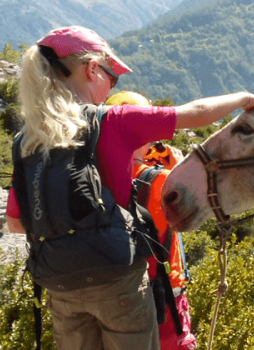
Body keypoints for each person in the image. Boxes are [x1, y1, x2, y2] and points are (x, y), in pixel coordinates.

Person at [5, 26, 254, 350]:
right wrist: (245, 99)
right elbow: (195, 114)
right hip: (118, 281)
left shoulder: (26, 140)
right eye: (110, 77)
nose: (110, 87)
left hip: (60, 284)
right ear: (91, 69)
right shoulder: (112, 121)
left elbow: (17, 223)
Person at [106, 91, 197, 350]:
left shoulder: (95, 178)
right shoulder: (163, 181)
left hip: (112, 299)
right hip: (164, 299)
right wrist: (179, 167)